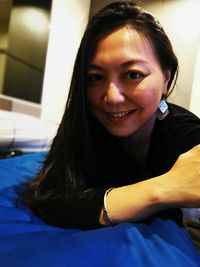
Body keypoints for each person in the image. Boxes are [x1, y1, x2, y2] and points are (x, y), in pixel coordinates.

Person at [22, 1, 200, 233]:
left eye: (132, 74)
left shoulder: (184, 133)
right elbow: (52, 199)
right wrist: (161, 190)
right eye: (95, 77)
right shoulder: (84, 125)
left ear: (166, 79)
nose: (112, 97)